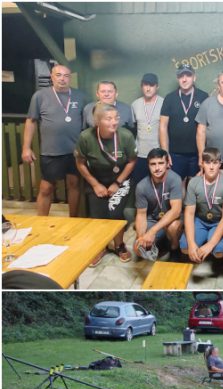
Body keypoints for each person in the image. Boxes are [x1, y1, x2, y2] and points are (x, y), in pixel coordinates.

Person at [22, 63, 88, 216]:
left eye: (66, 76)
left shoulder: (80, 96)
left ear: (70, 78)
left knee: (74, 184)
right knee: (46, 188)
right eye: (58, 75)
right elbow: (31, 121)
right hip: (51, 151)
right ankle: (42, 223)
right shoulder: (40, 96)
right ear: (51, 77)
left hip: (75, 151)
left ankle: (73, 219)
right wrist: (26, 147)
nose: (62, 79)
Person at [74, 104, 136, 265]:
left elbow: (131, 162)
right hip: (96, 179)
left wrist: (117, 182)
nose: (114, 122)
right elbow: (80, 163)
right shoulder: (86, 137)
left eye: (116, 118)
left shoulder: (126, 136)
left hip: (120, 178)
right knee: (98, 216)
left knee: (115, 214)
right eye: (109, 119)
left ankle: (119, 246)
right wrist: (95, 184)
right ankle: (100, 247)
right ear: (97, 121)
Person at [176, 147, 223, 263]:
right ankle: (201, 240)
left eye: (215, 162)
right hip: (201, 220)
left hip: (219, 221)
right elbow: (189, 214)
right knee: (185, 247)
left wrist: (210, 244)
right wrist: (191, 243)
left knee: (218, 251)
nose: (211, 166)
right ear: (202, 163)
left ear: (220, 164)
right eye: (208, 162)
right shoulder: (194, 182)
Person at [160, 64, 210, 183]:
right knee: (177, 184)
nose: (184, 79)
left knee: (196, 183)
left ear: (194, 78)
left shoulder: (204, 97)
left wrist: (202, 155)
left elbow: (208, 126)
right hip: (175, 154)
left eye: (188, 75)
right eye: (181, 76)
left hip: (197, 153)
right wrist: (165, 153)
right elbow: (162, 127)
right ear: (178, 78)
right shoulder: (169, 98)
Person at [133, 148, 183, 260]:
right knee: (138, 249)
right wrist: (141, 238)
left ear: (167, 164)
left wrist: (151, 232)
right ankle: (161, 243)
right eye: (153, 164)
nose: (157, 168)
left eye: (161, 163)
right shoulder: (141, 186)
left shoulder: (175, 179)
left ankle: (174, 248)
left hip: (172, 219)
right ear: (148, 166)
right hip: (153, 219)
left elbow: (176, 211)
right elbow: (141, 214)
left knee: (173, 227)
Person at [130, 73, 164, 189]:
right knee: (140, 187)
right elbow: (133, 129)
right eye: (145, 85)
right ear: (141, 86)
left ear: (157, 87)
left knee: (158, 188)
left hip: (158, 155)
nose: (148, 88)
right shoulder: (135, 104)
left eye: (152, 85)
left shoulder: (164, 103)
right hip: (140, 154)